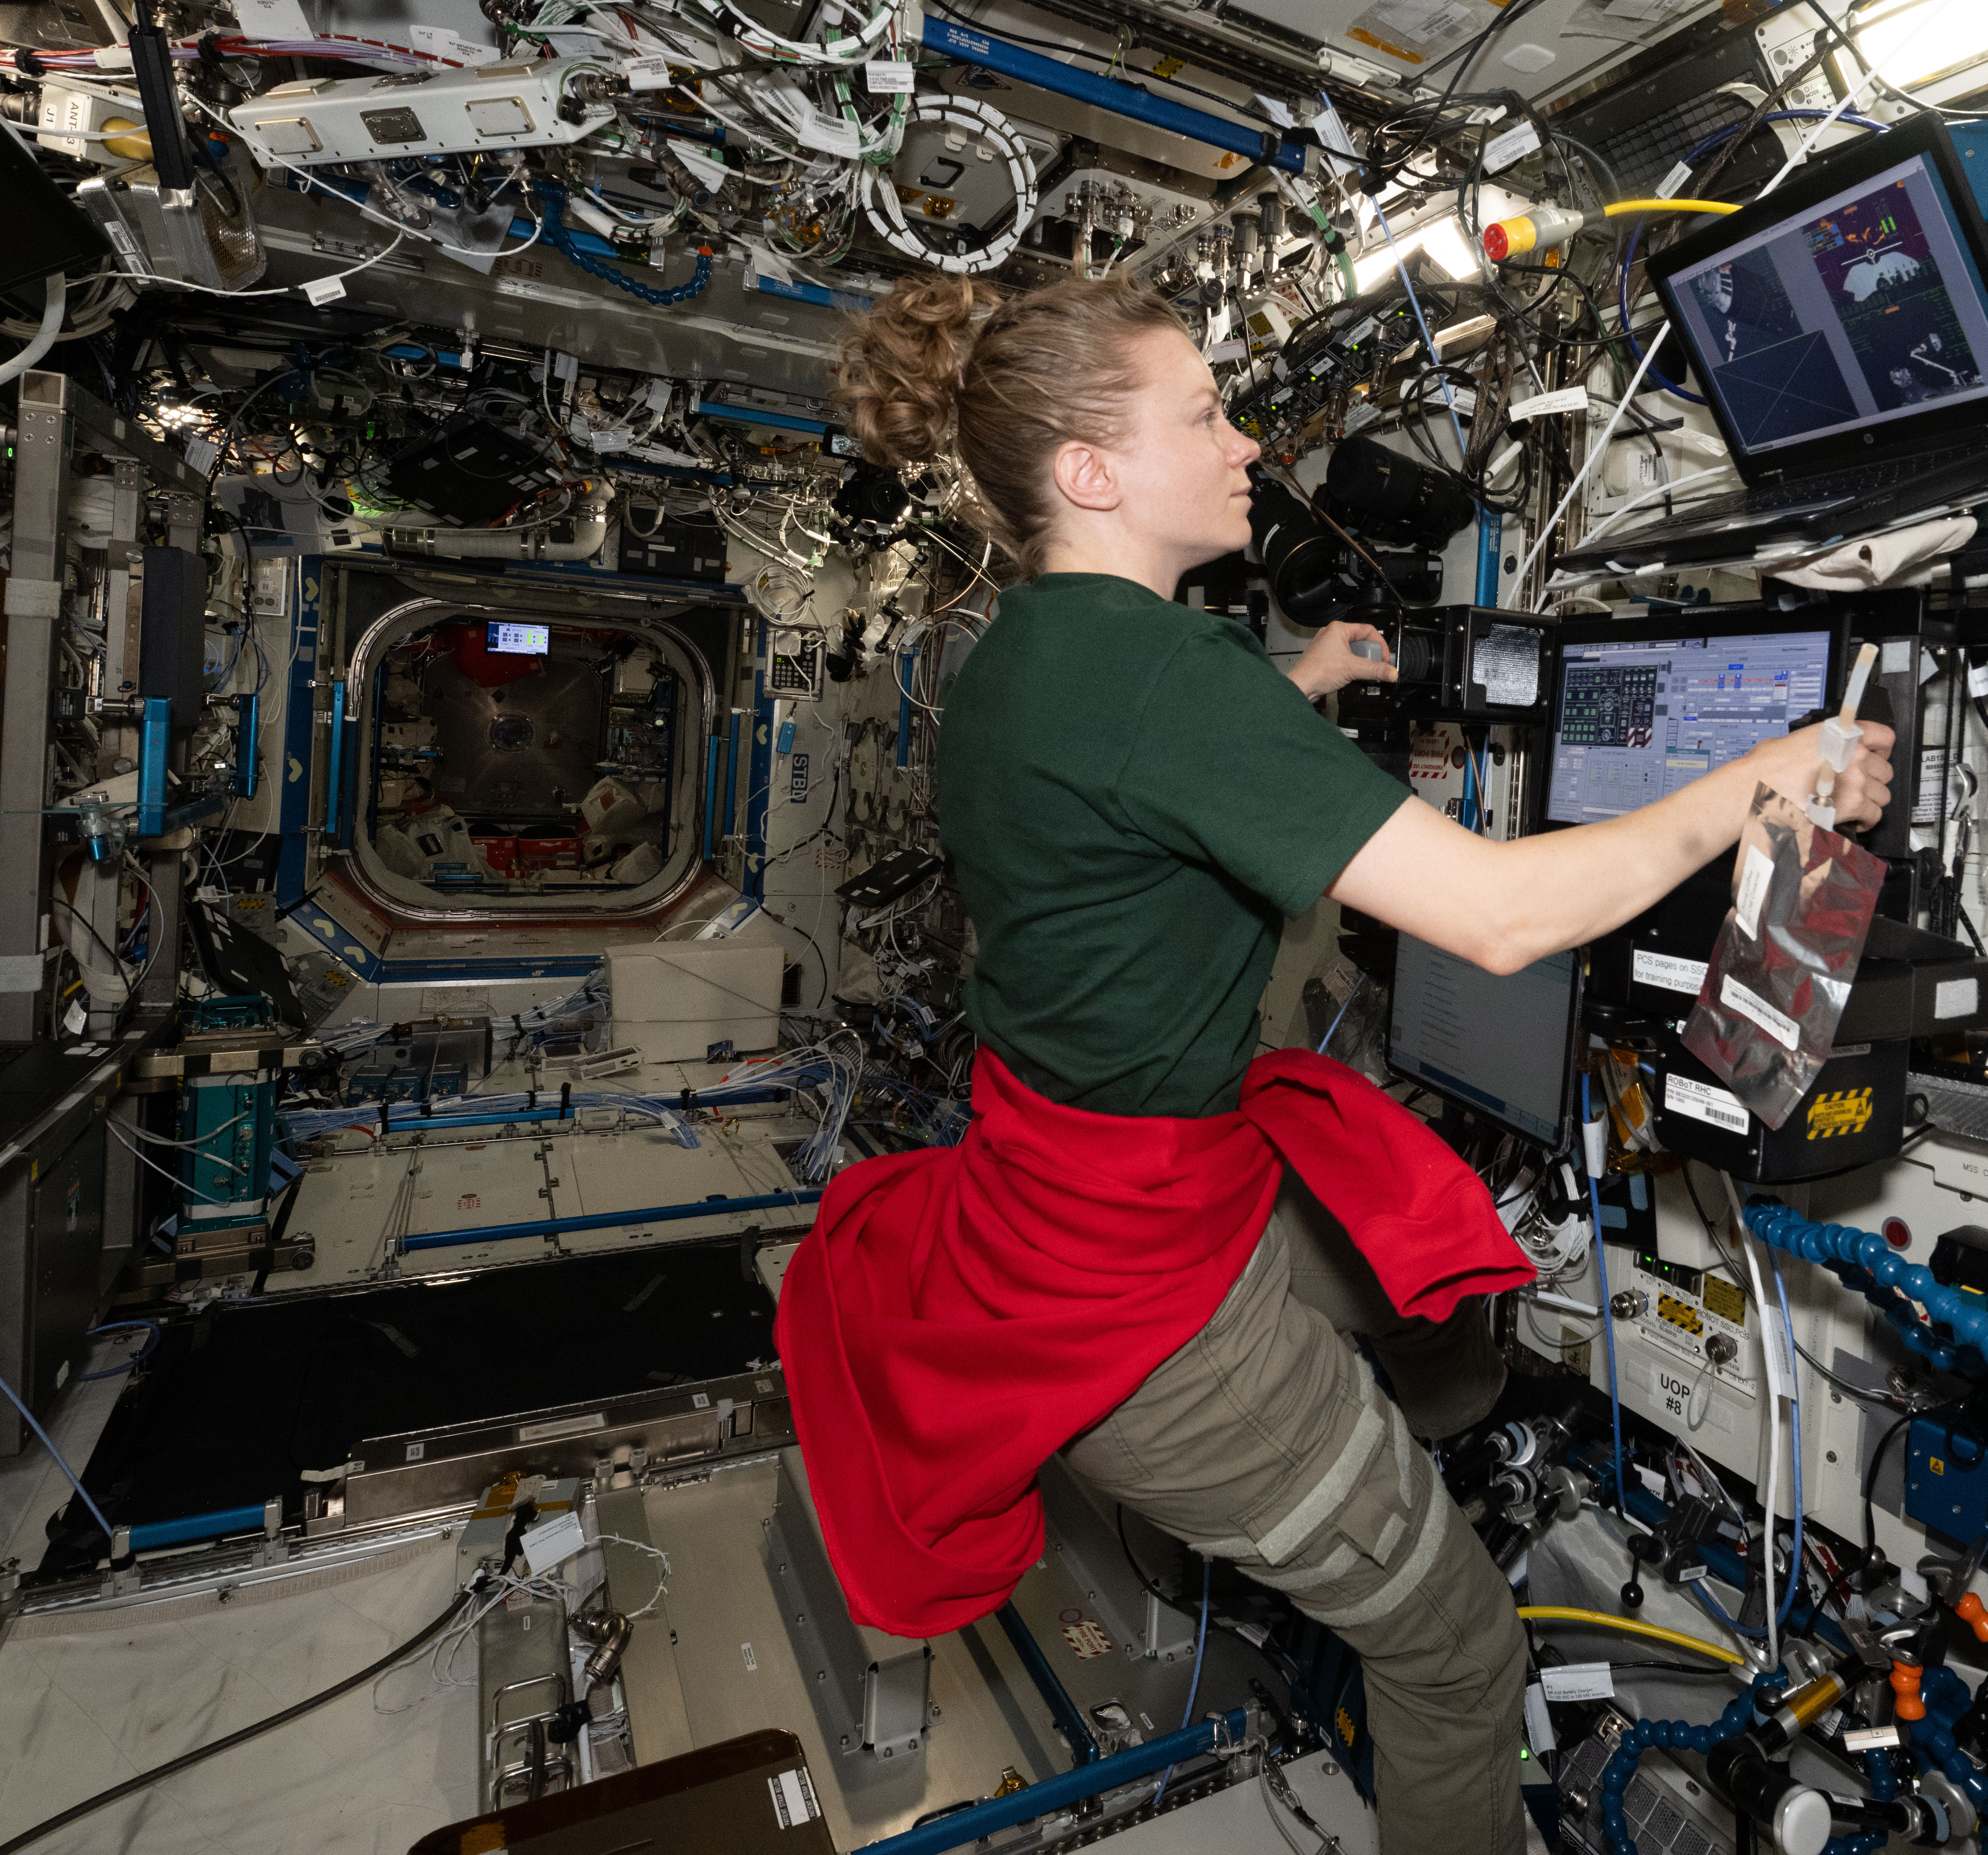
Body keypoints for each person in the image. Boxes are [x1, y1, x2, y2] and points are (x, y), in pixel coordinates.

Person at [775, 272, 1893, 1855]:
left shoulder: (1020, 651)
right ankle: (1397, 1560)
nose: (1249, 447)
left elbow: (1132, 785)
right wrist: (1763, 776)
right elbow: (1503, 915)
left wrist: (1298, 696)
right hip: (1147, 1319)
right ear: (1094, 470)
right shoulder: (1168, 680)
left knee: (1454, 1323)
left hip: (1079, 1207)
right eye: (1206, 415)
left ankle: (1402, 1460)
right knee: (1457, 1656)